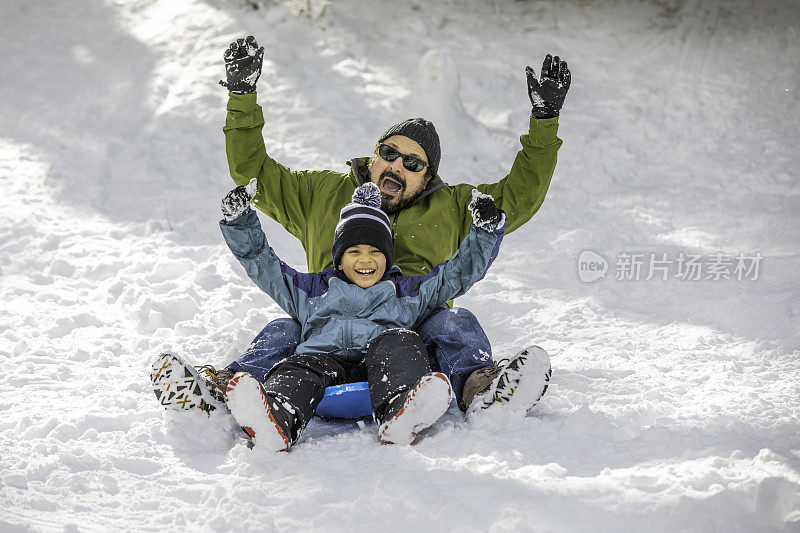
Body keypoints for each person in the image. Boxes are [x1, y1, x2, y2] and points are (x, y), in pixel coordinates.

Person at [197, 35, 568, 417]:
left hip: (409, 336)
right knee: (282, 330)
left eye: (413, 163)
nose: (396, 166)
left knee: (453, 323)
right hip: (325, 329)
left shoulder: (454, 205)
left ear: (428, 177)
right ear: (373, 155)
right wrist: (242, 96)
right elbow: (252, 172)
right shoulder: (322, 192)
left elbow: (519, 198)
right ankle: (225, 391)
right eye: (389, 153)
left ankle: (483, 390)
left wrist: (543, 123)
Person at [216, 180, 505, 450]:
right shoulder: (312, 290)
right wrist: (241, 223)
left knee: (402, 340)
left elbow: (455, 275)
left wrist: (484, 232)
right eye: (353, 251)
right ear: (339, 260)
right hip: (323, 365)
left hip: (381, 368)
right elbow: (264, 266)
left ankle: (402, 411)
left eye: (375, 252)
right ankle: (277, 418)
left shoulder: (405, 291)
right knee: (299, 366)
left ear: (388, 258)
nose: (365, 260)